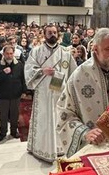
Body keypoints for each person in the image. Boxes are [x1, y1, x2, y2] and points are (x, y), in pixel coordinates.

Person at [56, 28, 109, 157]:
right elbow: (64, 114)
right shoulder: (79, 77)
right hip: (92, 148)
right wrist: (85, 133)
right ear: (95, 49)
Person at [24, 24, 76, 162]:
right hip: (43, 92)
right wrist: (42, 71)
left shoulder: (65, 53)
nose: (52, 34)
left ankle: (59, 147)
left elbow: (73, 74)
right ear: (44, 34)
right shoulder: (36, 51)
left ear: (58, 34)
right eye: (49, 32)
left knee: (59, 118)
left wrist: (57, 75)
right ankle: (41, 148)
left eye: (54, 32)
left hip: (60, 92)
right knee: (43, 119)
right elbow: (28, 69)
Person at [0, 44, 27, 141]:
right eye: (7, 53)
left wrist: (24, 91)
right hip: (3, 95)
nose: (9, 55)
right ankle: (3, 133)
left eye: (11, 53)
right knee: (3, 116)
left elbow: (23, 78)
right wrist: (3, 72)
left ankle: (14, 132)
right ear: (3, 54)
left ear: (13, 54)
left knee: (14, 115)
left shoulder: (19, 64)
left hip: (16, 94)